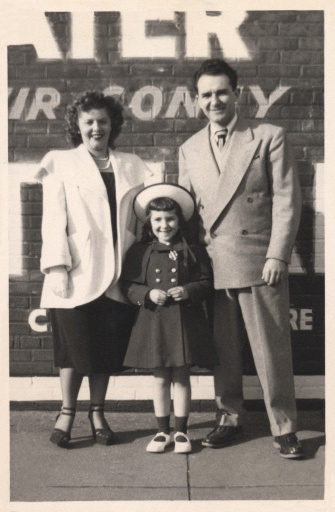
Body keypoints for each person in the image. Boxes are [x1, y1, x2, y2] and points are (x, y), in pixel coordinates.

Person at [179, 59, 305, 459]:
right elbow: (186, 210)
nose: (214, 100)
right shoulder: (189, 148)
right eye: (206, 95)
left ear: (237, 92)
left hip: (259, 261)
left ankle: (284, 427)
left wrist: (278, 255)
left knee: (271, 351)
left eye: (221, 92)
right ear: (196, 101)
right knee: (224, 352)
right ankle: (228, 417)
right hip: (214, 264)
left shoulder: (267, 136)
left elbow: (287, 199)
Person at [35, 91, 153, 448]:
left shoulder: (132, 164)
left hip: (117, 274)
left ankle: (98, 412)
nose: (96, 128)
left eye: (103, 121)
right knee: (72, 349)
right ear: (77, 126)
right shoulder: (60, 162)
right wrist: (57, 267)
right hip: (75, 273)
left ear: (113, 125)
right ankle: (67, 413)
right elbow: (53, 219)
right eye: (89, 122)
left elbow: (142, 218)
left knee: (104, 350)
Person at [121, 183, 217, 454]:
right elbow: (128, 285)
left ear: (179, 220)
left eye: (170, 218)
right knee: (160, 378)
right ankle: (162, 431)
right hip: (155, 321)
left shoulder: (192, 249)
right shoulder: (141, 252)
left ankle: (182, 433)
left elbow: (207, 282)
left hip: (184, 322)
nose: (165, 225)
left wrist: (187, 290)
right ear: (150, 223)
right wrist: (148, 293)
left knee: (182, 377)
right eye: (158, 220)